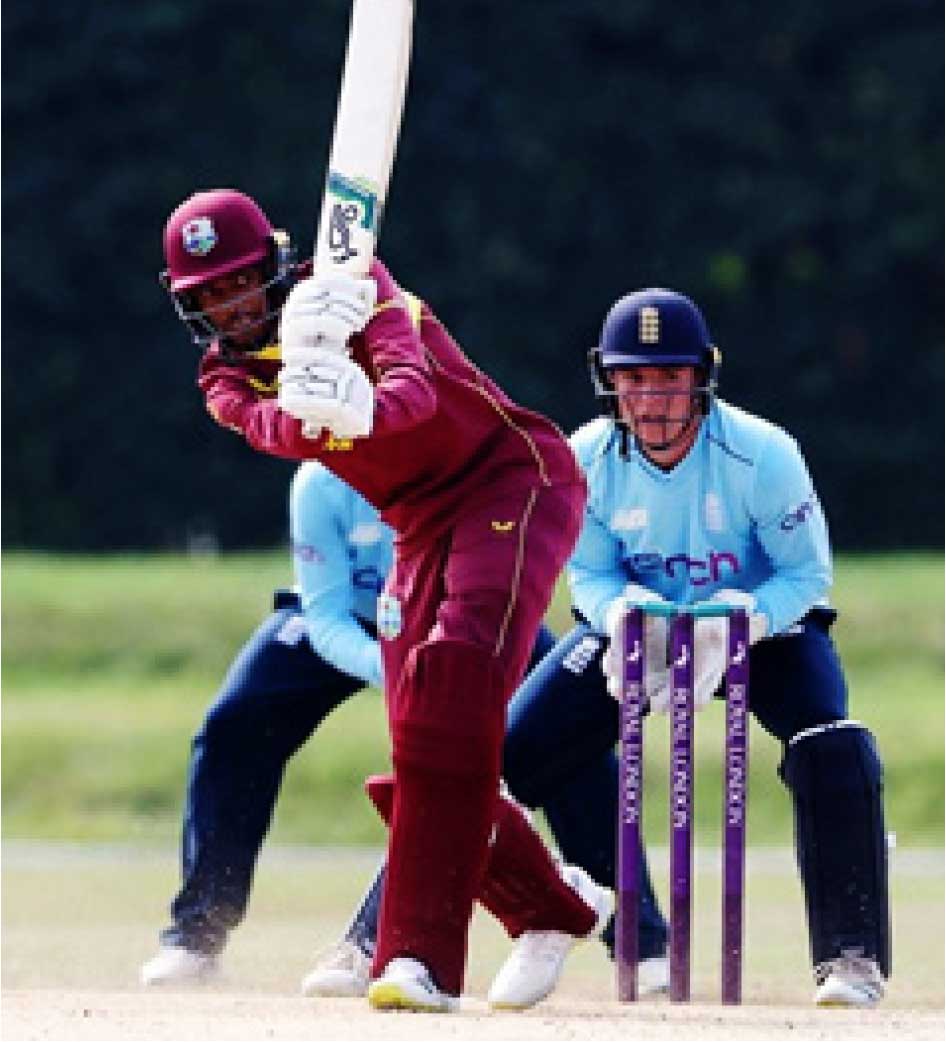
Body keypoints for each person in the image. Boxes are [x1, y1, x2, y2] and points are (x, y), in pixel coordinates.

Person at [314, 286, 892, 1010]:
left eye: (670, 380)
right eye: (634, 380)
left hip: (758, 631)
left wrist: (747, 616)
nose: (652, 401)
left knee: (831, 742)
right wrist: (619, 612)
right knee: (486, 758)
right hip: (636, 631)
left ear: (701, 377)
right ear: (608, 381)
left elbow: (807, 575)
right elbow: (584, 569)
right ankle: (378, 936)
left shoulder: (764, 454)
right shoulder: (579, 457)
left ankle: (851, 958)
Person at [159, 188, 612, 1012]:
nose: (229, 306)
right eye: (209, 296)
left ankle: (416, 961)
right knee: (418, 753)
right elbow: (271, 431)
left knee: (456, 678)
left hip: (512, 481)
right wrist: (313, 400)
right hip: (417, 527)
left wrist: (362, 376)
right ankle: (552, 905)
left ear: (273, 263)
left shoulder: (356, 282)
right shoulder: (222, 376)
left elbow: (415, 389)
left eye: (238, 282)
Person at [139, 459, 564, 991]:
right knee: (234, 725)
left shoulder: (461, 457)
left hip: (465, 617)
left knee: (557, 717)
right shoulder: (321, 478)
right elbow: (326, 617)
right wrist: (399, 668)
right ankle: (197, 934)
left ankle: (639, 939)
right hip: (353, 620)